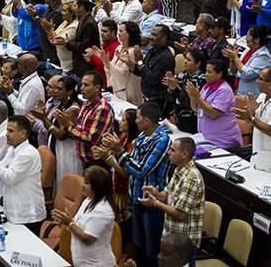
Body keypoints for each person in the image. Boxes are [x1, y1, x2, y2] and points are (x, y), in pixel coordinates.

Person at [102, 102, 171, 267]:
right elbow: (130, 165)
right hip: (136, 198)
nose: (136, 121)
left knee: (151, 248)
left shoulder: (161, 141)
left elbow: (140, 170)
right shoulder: (141, 136)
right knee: (139, 245)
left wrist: (119, 151)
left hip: (151, 202)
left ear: (146, 120)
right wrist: (119, 153)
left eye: (138, 117)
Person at [0, 115, 46, 235]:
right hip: (14, 210)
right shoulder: (12, 150)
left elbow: (9, 178)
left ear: (23, 133)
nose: (6, 134)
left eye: (11, 131)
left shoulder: (28, 154)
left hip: (28, 215)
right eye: (7, 130)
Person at [140, 137, 204, 265]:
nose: (169, 152)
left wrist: (155, 204)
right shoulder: (178, 170)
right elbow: (167, 195)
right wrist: (156, 194)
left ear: (184, 154)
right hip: (172, 237)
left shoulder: (191, 178)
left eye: (173, 150)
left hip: (183, 245)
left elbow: (180, 214)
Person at [52, 166, 116, 266]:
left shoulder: (103, 211)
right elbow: (77, 223)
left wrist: (69, 223)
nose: (81, 185)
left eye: (86, 183)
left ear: (97, 186)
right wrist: (64, 220)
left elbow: (88, 238)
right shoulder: (88, 200)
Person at [234, 67, 271, 177]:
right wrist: (250, 112)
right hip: (257, 156)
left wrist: (251, 118)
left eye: (261, 79)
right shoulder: (262, 96)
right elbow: (251, 122)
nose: (257, 81)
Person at [56, 71, 114, 169]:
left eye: (86, 85)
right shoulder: (85, 104)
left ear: (97, 88)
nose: (81, 88)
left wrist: (68, 124)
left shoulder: (103, 109)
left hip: (97, 164)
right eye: (81, 84)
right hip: (85, 162)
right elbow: (79, 130)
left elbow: (91, 139)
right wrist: (64, 123)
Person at [31, 76, 83, 185]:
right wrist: (44, 116)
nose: (56, 91)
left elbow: (61, 135)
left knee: (63, 181)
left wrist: (44, 119)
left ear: (69, 92)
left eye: (60, 89)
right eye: (56, 88)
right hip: (56, 147)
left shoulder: (73, 110)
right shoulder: (61, 104)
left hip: (66, 151)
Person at [121, 24, 175, 117]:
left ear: (164, 38)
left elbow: (153, 78)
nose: (151, 37)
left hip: (158, 103)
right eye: (151, 34)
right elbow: (141, 72)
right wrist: (129, 63)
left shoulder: (166, 58)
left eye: (154, 35)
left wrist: (139, 61)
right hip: (147, 99)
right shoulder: (152, 51)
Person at [187, 59, 242, 150]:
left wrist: (198, 98)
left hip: (222, 140)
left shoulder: (225, 90)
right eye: (206, 71)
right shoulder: (206, 86)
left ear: (220, 74)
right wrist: (192, 98)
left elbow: (214, 113)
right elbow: (196, 109)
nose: (206, 74)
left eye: (209, 72)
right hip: (206, 138)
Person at [97, 21, 143, 105]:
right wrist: (105, 61)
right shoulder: (119, 47)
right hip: (115, 88)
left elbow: (122, 74)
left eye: (121, 31)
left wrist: (107, 62)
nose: (118, 33)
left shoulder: (133, 51)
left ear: (129, 34)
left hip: (128, 91)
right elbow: (110, 68)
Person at [52, 0, 100, 77]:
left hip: (85, 64)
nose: (73, 9)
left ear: (81, 8)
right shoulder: (83, 20)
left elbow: (84, 46)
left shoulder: (89, 23)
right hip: (79, 63)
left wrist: (67, 43)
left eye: (74, 6)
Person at [163, 49, 206, 133]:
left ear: (198, 64)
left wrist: (175, 88)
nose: (185, 62)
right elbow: (170, 98)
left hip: (192, 122)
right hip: (178, 118)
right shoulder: (182, 75)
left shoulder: (201, 80)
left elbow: (189, 103)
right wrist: (171, 88)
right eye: (185, 59)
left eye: (189, 60)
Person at [223, 25, 271, 96]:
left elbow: (248, 74)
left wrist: (235, 58)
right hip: (238, 91)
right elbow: (233, 72)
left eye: (248, 36)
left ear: (257, 40)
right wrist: (232, 59)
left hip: (252, 95)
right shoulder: (247, 50)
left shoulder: (263, 55)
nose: (246, 38)